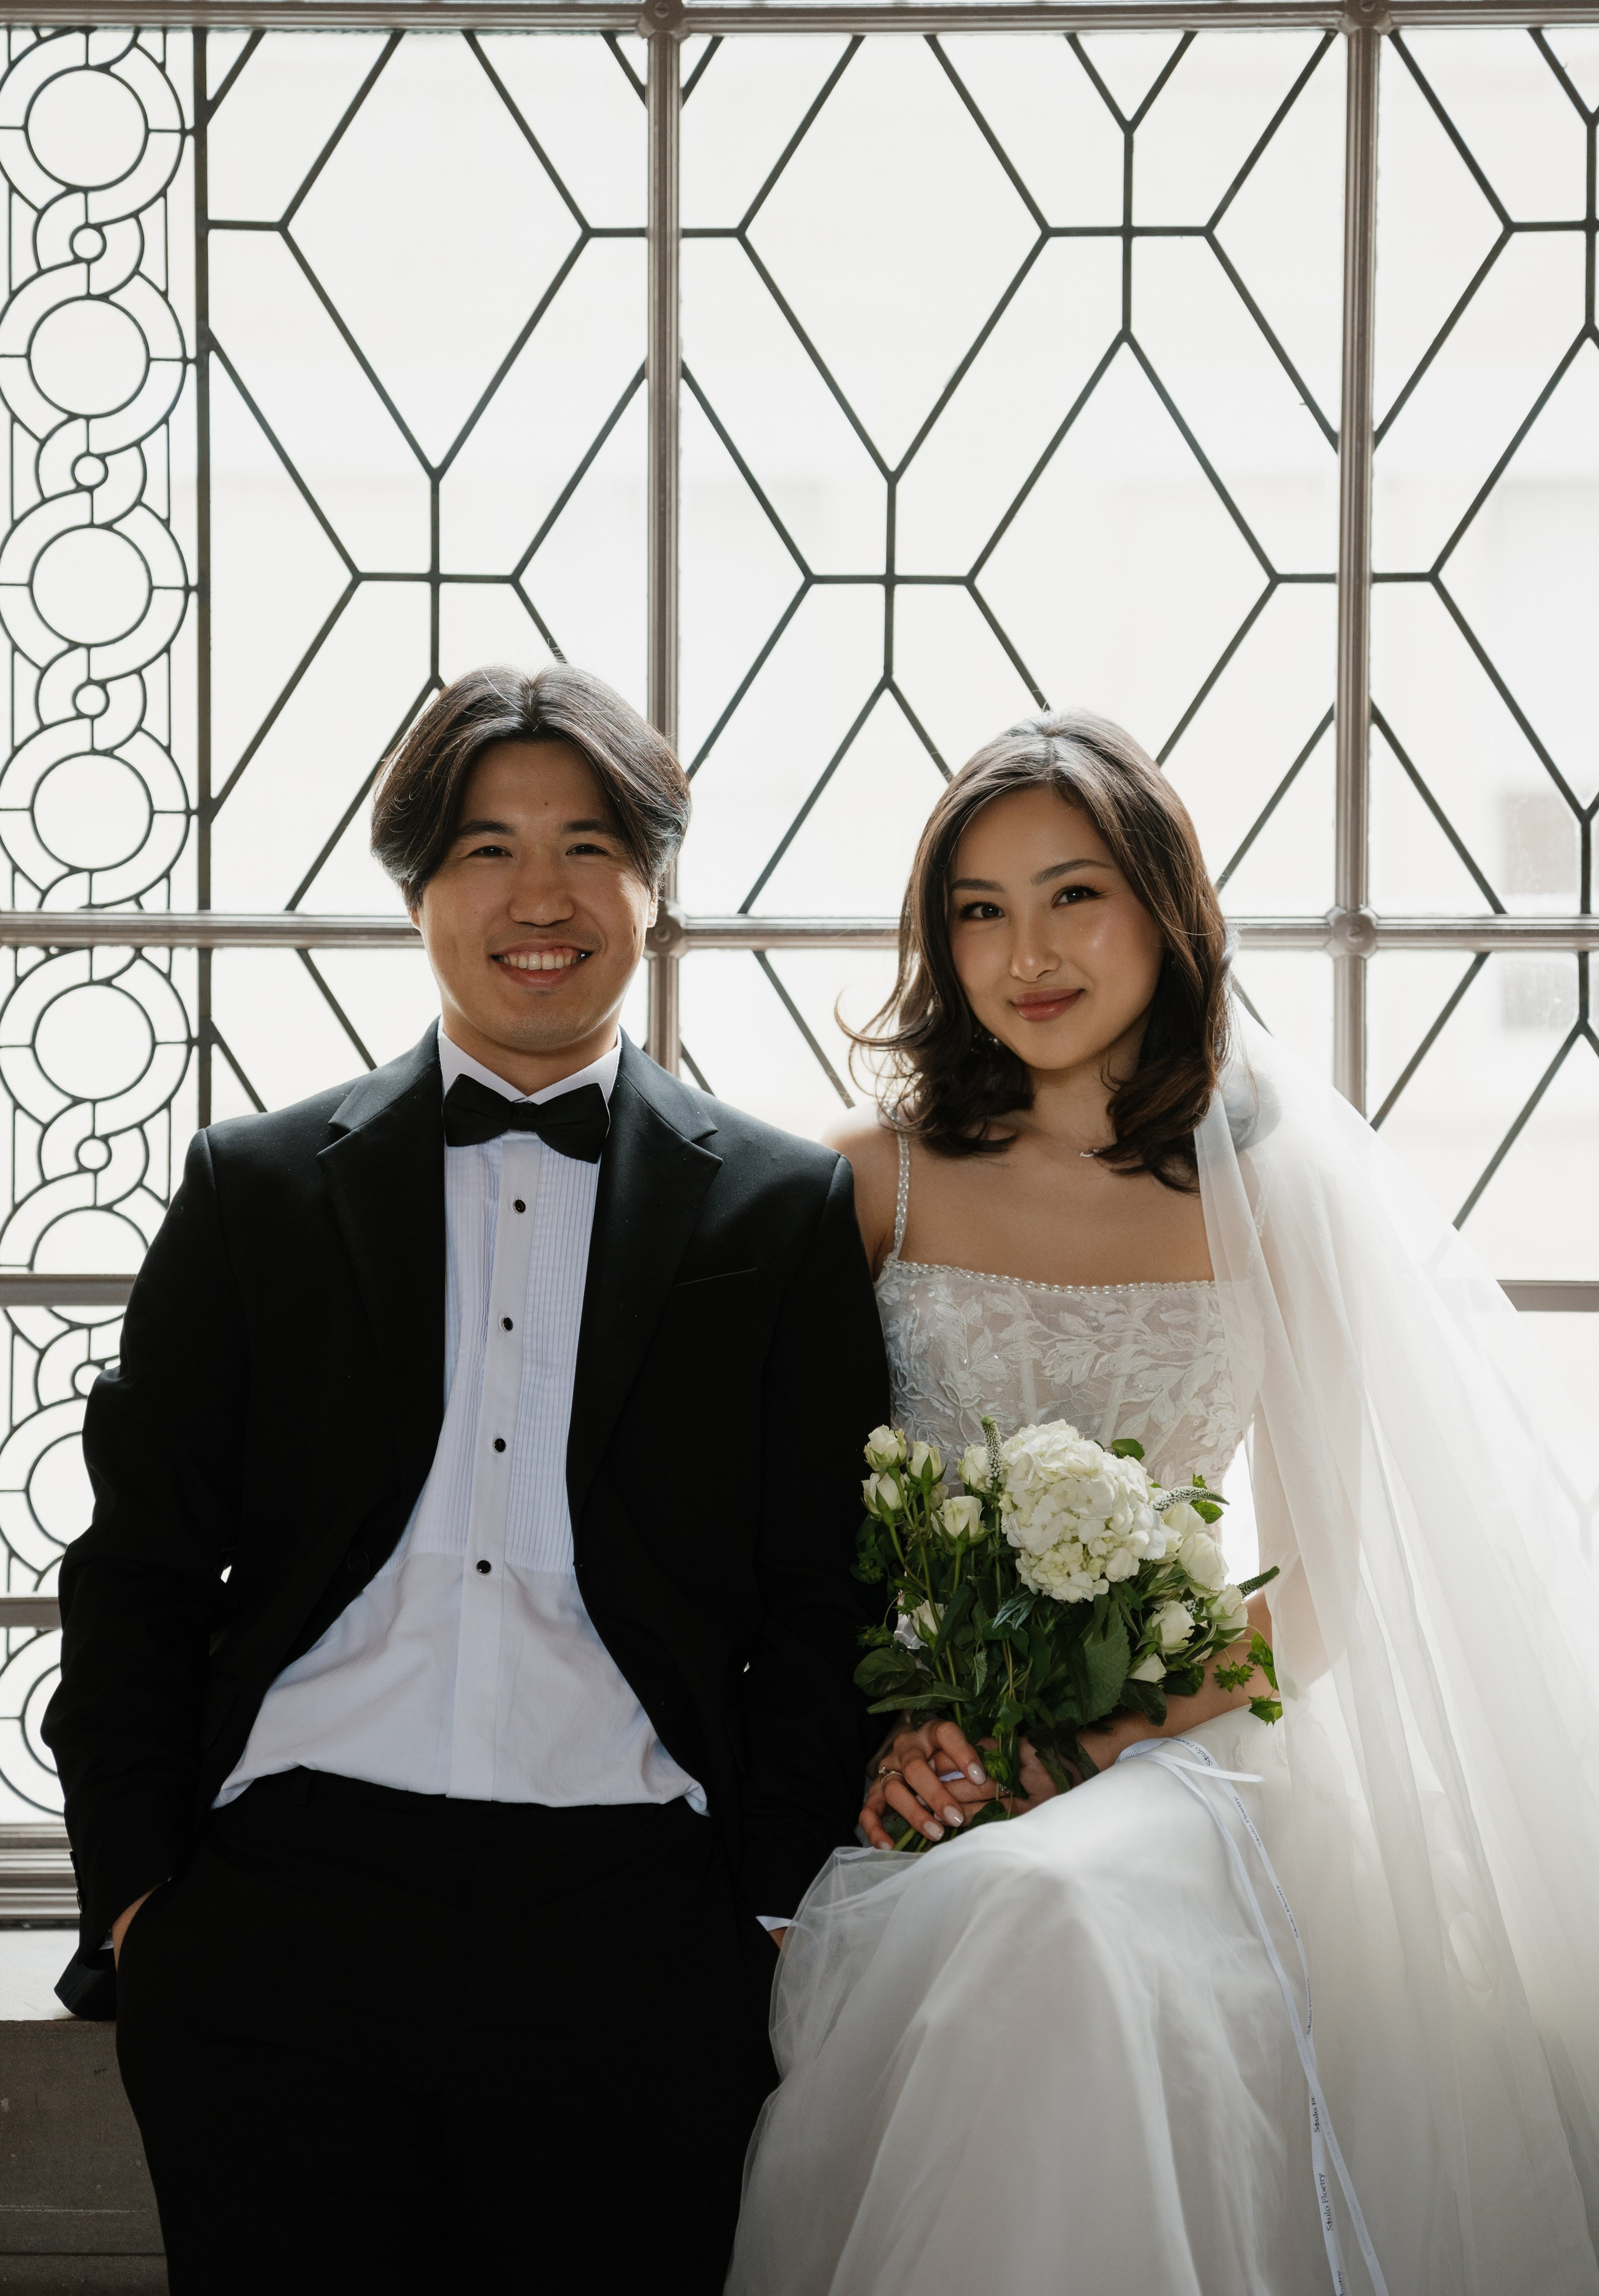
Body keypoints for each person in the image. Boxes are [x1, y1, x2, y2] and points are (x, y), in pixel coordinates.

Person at [43, 663, 889, 2295]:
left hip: (636, 1923)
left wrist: (767, 1911)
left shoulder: (778, 1213)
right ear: (418, 886)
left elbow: (824, 1590)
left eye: (588, 847)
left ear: (652, 885)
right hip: (283, 1908)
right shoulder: (253, 1188)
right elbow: (137, 1570)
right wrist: (142, 1902)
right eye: (486, 849)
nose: (539, 897)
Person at [728, 711, 1599, 2296]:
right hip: (929, 1756)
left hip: (1183, 1754)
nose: (1025, 954)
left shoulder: (1273, 1198)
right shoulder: (868, 1180)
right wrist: (905, 1734)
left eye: (1073, 895)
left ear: (1163, 907)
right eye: (978, 910)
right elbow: (773, 1528)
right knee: (1007, 1902)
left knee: (1046, 1904)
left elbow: (1322, 1591)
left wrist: (1081, 1746)